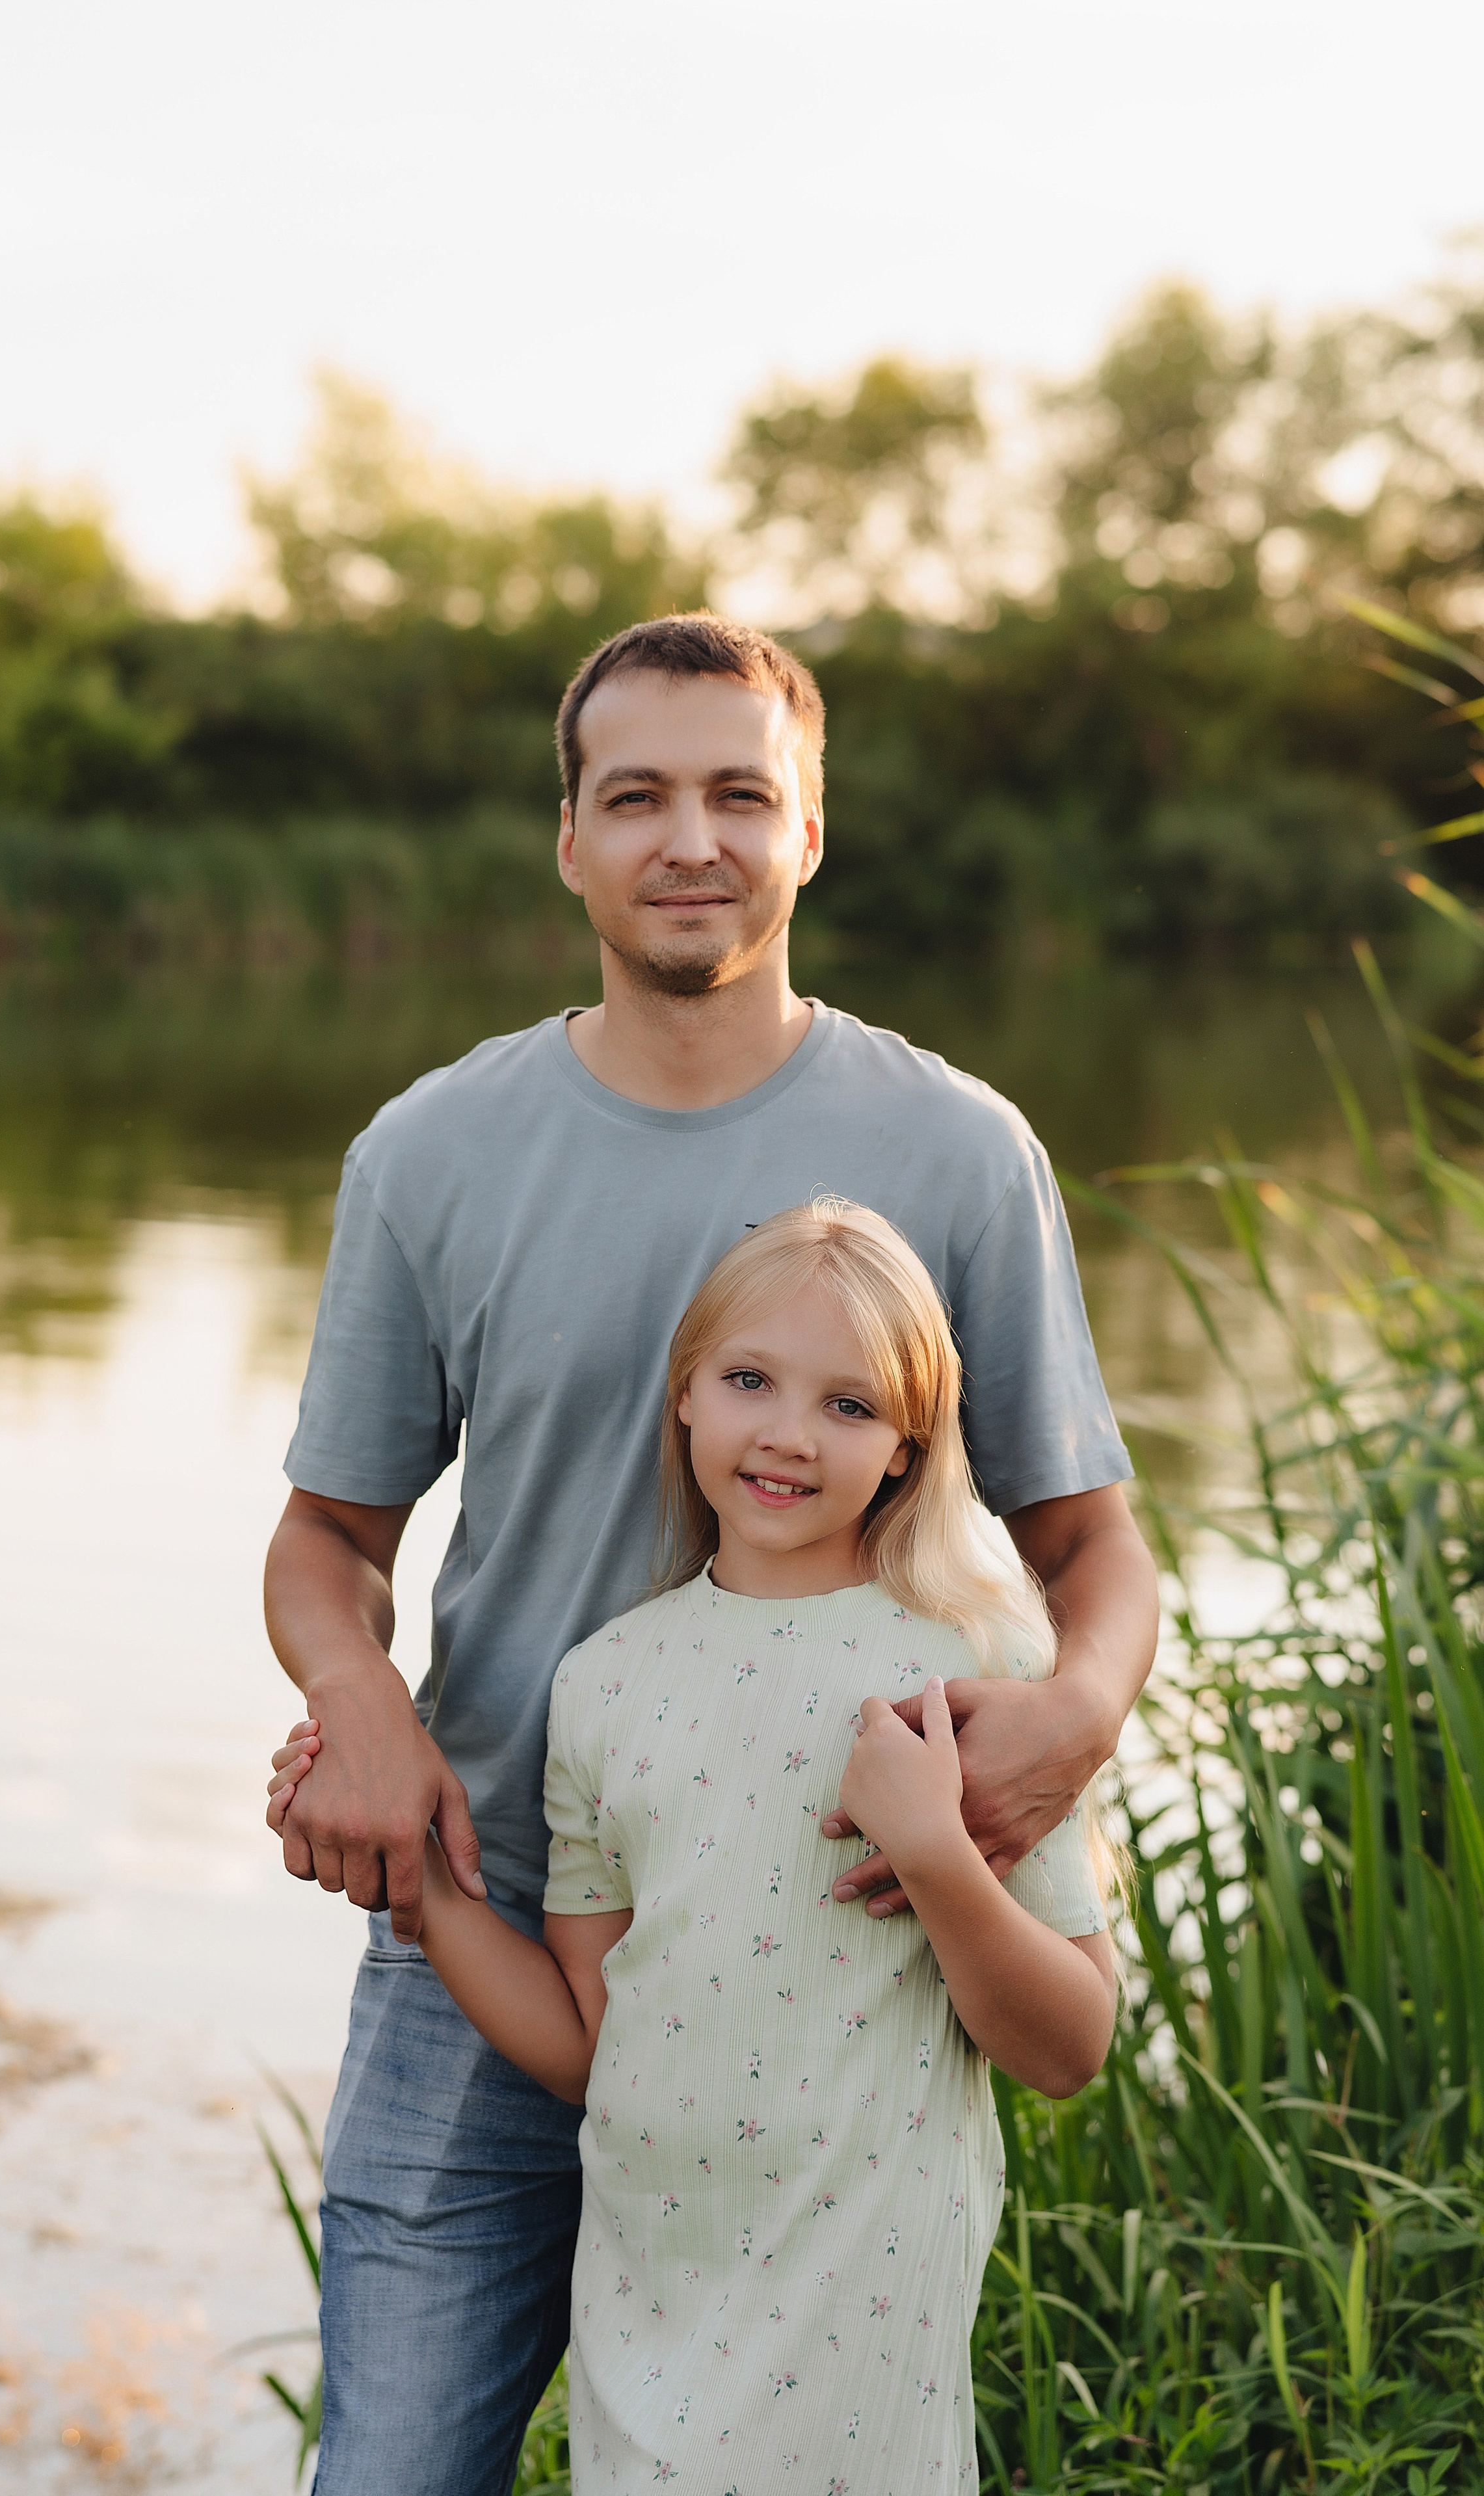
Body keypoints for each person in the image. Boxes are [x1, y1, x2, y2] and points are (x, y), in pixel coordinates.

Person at [263, 611, 1158, 2494]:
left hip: (818, 1967)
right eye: (638, 793)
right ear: (570, 837)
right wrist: (360, 1699)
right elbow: (329, 1536)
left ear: (809, 831)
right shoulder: (430, 1151)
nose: (693, 837)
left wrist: (1069, 1715)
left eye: (741, 792)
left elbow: (1096, 1544)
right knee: (391, 2470)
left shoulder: (961, 1149)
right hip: (491, 1921)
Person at [271, 1201, 1120, 2494]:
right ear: (683, 1396)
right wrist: (420, 1883)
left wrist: (936, 1855)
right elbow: (588, 2047)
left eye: (847, 1405)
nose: (786, 1432)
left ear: (905, 1444)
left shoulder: (971, 1672)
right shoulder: (606, 1683)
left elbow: (1069, 2044)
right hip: (649, 2287)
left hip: (857, 2290)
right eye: (747, 1380)